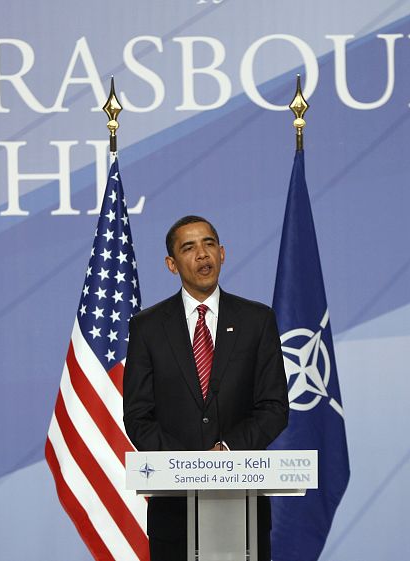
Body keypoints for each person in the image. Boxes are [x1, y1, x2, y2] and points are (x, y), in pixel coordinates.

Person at [123, 215, 289, 561]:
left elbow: (274, 407)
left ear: (223, 254)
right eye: (189, 247)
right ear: (171, 264)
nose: (202, 254)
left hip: (242, 504)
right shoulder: (147, 328)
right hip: (174, 511)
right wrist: (190, 466)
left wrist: (225, 454)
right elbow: (138, 415)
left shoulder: (257, 320)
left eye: (209, 244)